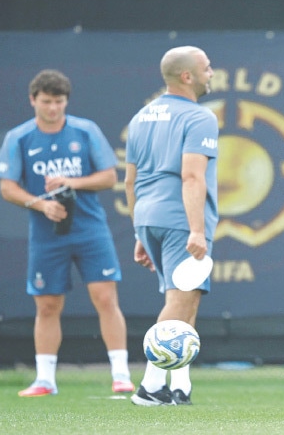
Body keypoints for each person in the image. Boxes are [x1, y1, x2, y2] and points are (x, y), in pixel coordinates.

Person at [0, 69, 133, 397]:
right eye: (46, 102)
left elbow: (109, 176)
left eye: (59, 102)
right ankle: (45, 379)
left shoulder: (85, 131)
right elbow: (7, 188)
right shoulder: (19, 137)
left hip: (90, 229)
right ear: (33, 101)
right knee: (47, 304)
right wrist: (40, 205)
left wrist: (72, 183)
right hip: (46, 234)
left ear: (66, 101)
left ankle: (121, 374)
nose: (53, 108)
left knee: (105, 297)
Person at [124, 46, 218, 406]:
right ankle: (149, 387)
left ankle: (178, 386)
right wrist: (196, 229)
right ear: (187, 76)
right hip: (181, 219)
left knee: (187, 300)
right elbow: (192, 177)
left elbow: (129, 182)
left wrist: (137, 231)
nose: (212, 74)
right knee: (179, 303)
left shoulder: (140, 117)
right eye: (207, 68)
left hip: (148, 216)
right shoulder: (200, 118)